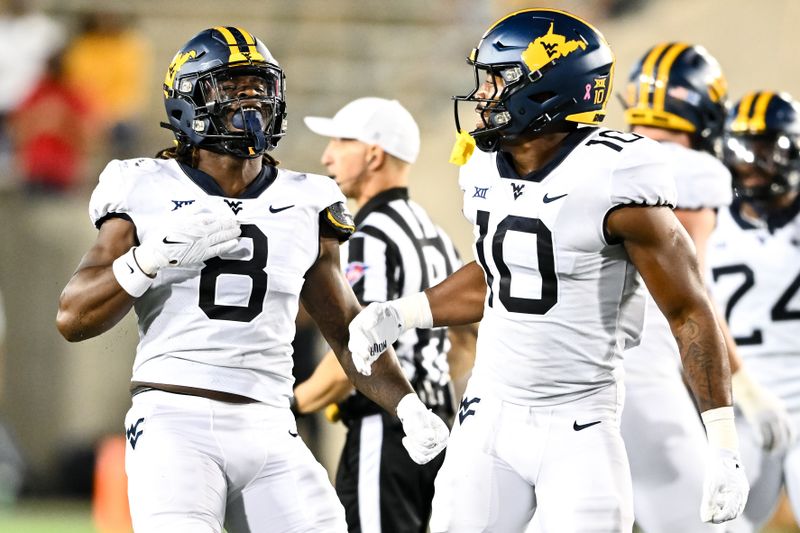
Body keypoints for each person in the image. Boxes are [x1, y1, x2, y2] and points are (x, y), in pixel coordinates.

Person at [346, 9, 750, 532]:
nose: (484, 95)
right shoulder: (485, 168)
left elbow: (689, 312)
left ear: (548, 89)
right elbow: (503, 270)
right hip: (488, 414)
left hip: (580, 423)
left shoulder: (616, 179)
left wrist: (722, 443)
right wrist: (403, 313)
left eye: (498, 79)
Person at [55, 26, 448, 533]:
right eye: (232, 87)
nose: (252, 100)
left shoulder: (309, 198)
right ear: (187, 101)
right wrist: (150, 257)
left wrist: (408, 406)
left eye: (261, 87)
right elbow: (72, 316)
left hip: (269, 423)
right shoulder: (144, 184)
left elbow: (347, 327)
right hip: (175, 418)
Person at [619, 44, 792, 533]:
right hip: (641, 378)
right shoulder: (696, 174)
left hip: (553, 382)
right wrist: (746, 387)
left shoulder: (599, 156)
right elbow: (694, 298)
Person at [295, 97, 463, 533]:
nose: (326, 155)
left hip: (387, 428)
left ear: (374, 153)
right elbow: (465, 341)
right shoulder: (435, 232)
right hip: (440, 426)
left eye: (341, 140)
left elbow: (355, 347)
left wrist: (292, 404)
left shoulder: (369, 236)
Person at [708, 91, 800, 532]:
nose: (750, 165)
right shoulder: (706, 221)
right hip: (741, 402)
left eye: (764, 152)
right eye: (742, 152)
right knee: (719, 523)